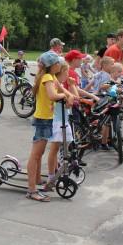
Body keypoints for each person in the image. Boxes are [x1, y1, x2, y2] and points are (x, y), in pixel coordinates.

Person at [25, 52, 69, 202]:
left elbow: (62, 89)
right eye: (58, 63)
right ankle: (31, 190)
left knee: (39, 153)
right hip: (43, 119)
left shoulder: (51, 77)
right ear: (52, 66)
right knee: (36, 155)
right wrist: (64, 97)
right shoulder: (48, 77)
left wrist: (70, 96)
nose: (60, 65)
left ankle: (36, 180)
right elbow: (52, 95)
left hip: (46, 119)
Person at [41, 61, 77, 192]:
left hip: (64, 121)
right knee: (54, 149)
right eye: (66, 72)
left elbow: (74, 98)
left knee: (64, 149)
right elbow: (68, 102)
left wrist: (72, 86)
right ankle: (52, 176)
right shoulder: (56, 88)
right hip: (57, 122)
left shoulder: (61, 86)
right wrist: (68, 97)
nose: (68, 74)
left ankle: (59, 172)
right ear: (60, 72)